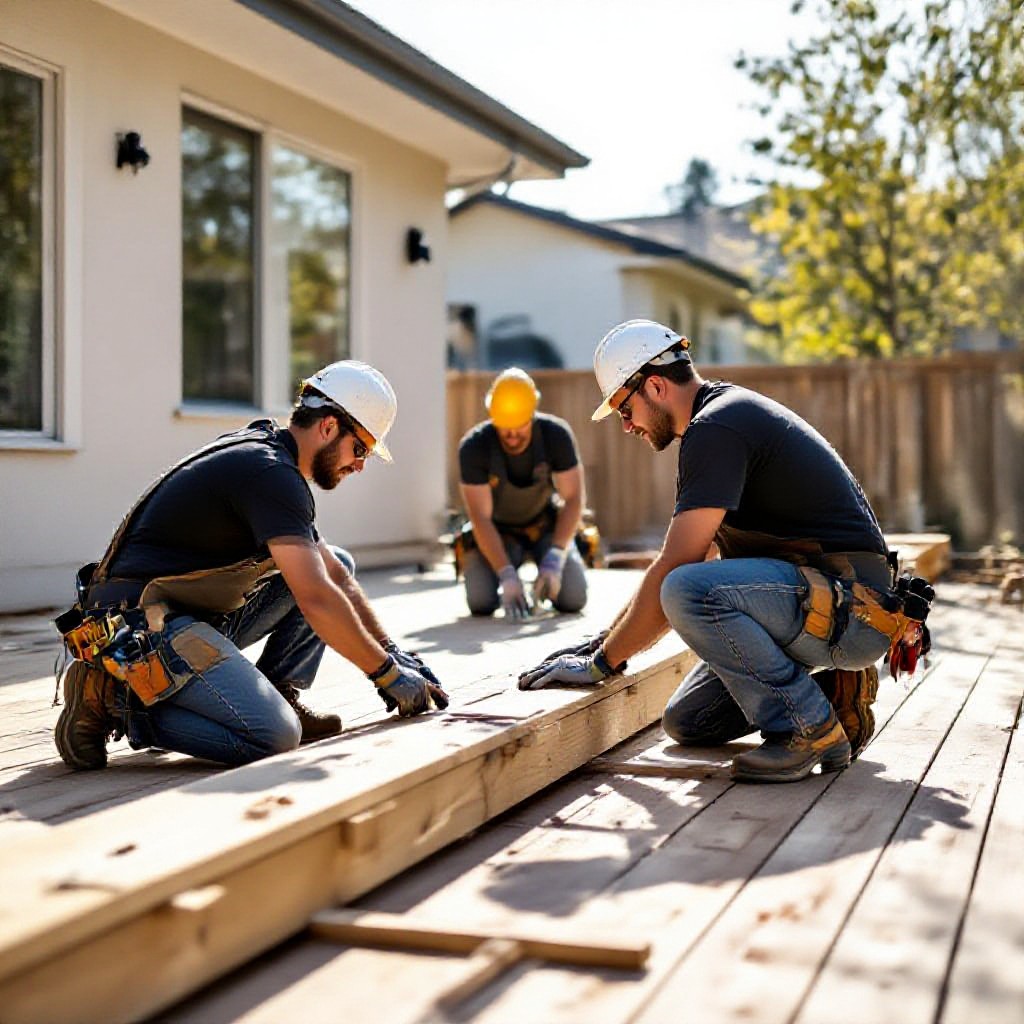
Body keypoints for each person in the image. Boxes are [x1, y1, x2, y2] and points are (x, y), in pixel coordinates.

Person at [519, 319, 906, 784]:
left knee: (685, 590)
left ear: (656, 386)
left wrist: (602, 663)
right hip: (821, 605)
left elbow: (677, 573)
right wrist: (603, 641)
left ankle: (807, 729)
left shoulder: (718, 426)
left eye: (625, 409)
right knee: (688, 721)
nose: (626, 426)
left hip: (852, 611)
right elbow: (692, 559)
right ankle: (830, 690)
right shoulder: (716, 423)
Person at [55, 361, 448, 771]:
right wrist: (386, 674)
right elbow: (316, 599)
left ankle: (281, 692)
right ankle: (115, 701)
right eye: (361, 448)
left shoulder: (272, 457)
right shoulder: (270, 473)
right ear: (329, 427)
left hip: (178, 614)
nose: (360, 464)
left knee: (335, 563)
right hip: (135, 627)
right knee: (273, 736)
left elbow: (332, 575)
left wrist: (393, 652)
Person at [457, 368, 588, 618]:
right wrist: (506, 573)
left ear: (532, 414)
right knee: (480, 602)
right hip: (498, 533)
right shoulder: (474, 447)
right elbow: (480, 518)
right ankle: (509, 576)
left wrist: (556, 556)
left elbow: (573, 498)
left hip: (544, 528)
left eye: (520, 426)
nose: (513, 435)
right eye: (505, 427)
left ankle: (547, 567)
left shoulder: (556, 435)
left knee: (573, 598)